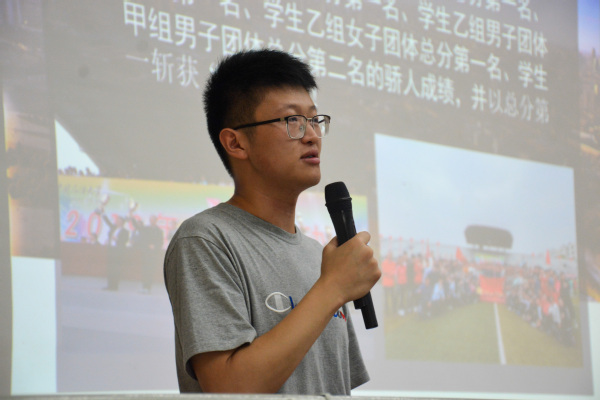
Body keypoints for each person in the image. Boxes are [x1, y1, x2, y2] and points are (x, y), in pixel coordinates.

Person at [163, 49, 380, 394]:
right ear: (236, 142)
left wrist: (332, 283)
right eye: (292, 121)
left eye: (314, 120)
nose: (312, 135)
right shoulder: (206, 240)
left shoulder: (318, 256)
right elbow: (229, 387)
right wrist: (333, 287)